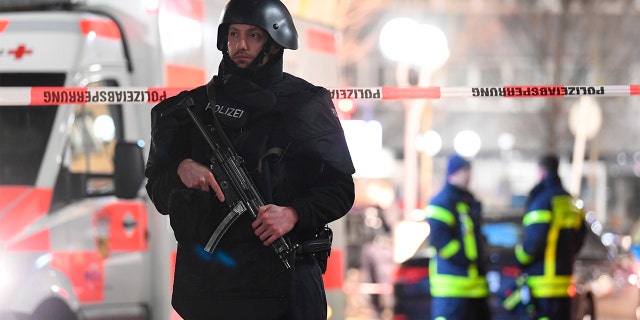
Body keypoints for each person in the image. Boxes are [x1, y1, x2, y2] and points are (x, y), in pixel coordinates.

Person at [144, 0, 355, 319]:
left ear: (275, 41)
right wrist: (179, 170)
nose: (240, 45)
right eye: (233, 34)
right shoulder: (190, 110)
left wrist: (294, 214)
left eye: (253, 36)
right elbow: (159, 192)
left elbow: (341, 190)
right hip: (210, 292)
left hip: (285, 287)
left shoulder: (306, 106)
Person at [514, 154, 586, 320]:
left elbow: (533, 243)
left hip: (542, 283)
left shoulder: (541, 202)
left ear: (540, 172)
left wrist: (520, 259)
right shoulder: (571, 202)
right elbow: (580, 239)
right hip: (565, 281)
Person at [425, 154, 491, 320]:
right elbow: (440, 240)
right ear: (452, 173)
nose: (469, 176)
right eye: (465, 171)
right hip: (452, 288)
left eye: (470, 170)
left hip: (475, 287)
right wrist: (464, 259)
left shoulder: (467, 201)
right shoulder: (442, 202)